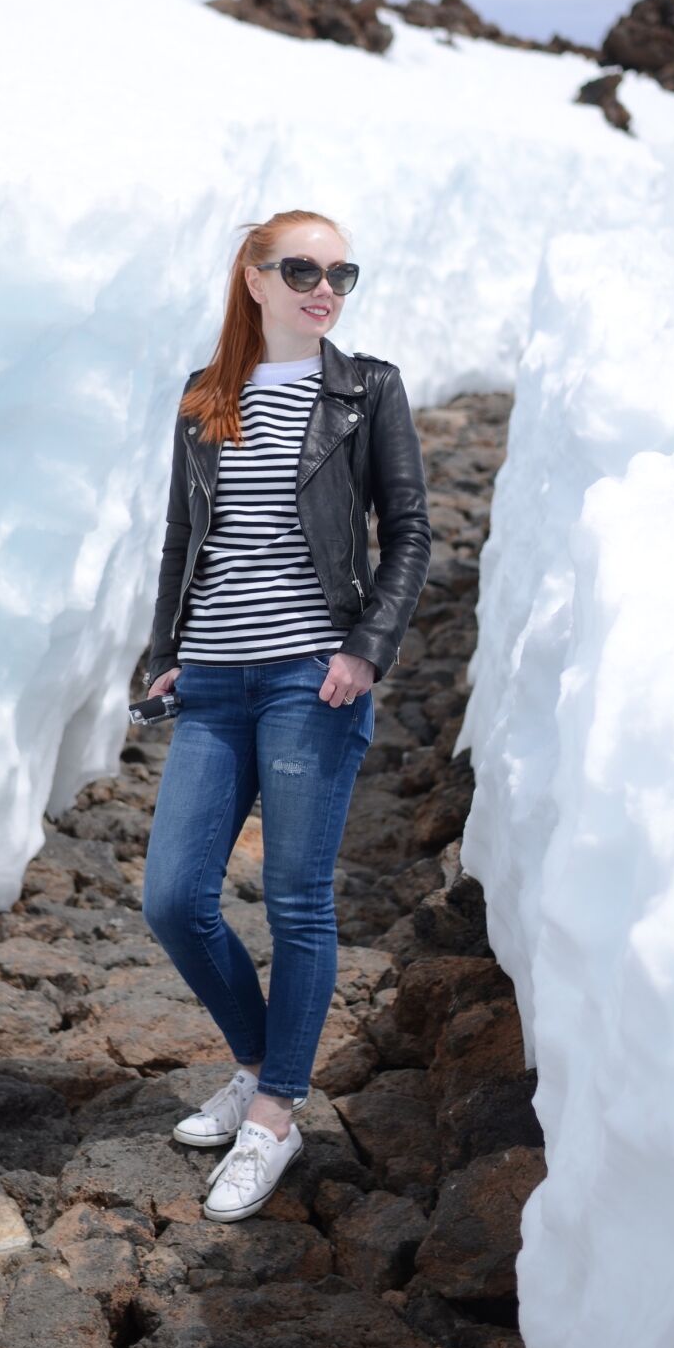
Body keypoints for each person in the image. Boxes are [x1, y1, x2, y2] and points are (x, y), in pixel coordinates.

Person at [141, 209, 432, 1222]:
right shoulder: (205, 395)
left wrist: (366, 647)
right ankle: (264, 1058)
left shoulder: (366, 389)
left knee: (298, 901)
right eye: (303, 267)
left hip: (316, 676)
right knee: (174, 896)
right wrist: (165, 652)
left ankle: (273, 1109)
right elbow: (185, 540)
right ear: (255, 277)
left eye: (342, 271)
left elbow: (410, 532)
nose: (326, 287)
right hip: (215, 679)